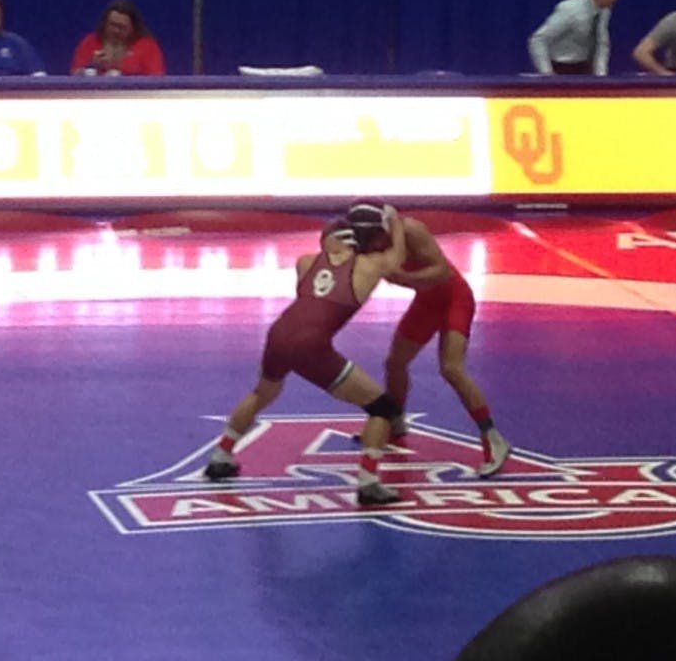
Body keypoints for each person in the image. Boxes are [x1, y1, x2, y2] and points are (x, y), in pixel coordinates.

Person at [203, 213, 408, 505]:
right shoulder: (367, 267)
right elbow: (396, 258)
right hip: (310, 345)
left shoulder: (305, 263)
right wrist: (395, 223)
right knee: (383, 407)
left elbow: (311, 292)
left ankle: (221, 456)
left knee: (262, 392)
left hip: (279, 333)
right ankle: (368, 483)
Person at [347, 200, 510, 477]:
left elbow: (441, 272)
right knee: (395, 362)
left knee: (451, 368)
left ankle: (493, 438)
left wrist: (401, 278)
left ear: (385, 229)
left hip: (453, 298)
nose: (372, 246)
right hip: (427, 300)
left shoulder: (411, 231)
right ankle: (396, 423)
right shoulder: (367, 240)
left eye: (375, 240)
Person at [528, 0, 621, 76]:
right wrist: (547, 74)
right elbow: (538, 39)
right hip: (560, 68)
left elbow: (602, 44)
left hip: (584, 68)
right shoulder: (571, 10)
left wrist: (601, 76)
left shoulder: (604, 11)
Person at [70, 0, 166, 76]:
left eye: (122, 27)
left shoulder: (147, 47)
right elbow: (74, 76)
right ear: (105, 23)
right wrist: (92, 65)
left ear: (133, 28)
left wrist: (120, 69)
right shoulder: (90, 42)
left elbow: (156, 79)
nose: (116, 31)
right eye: (112, 25)